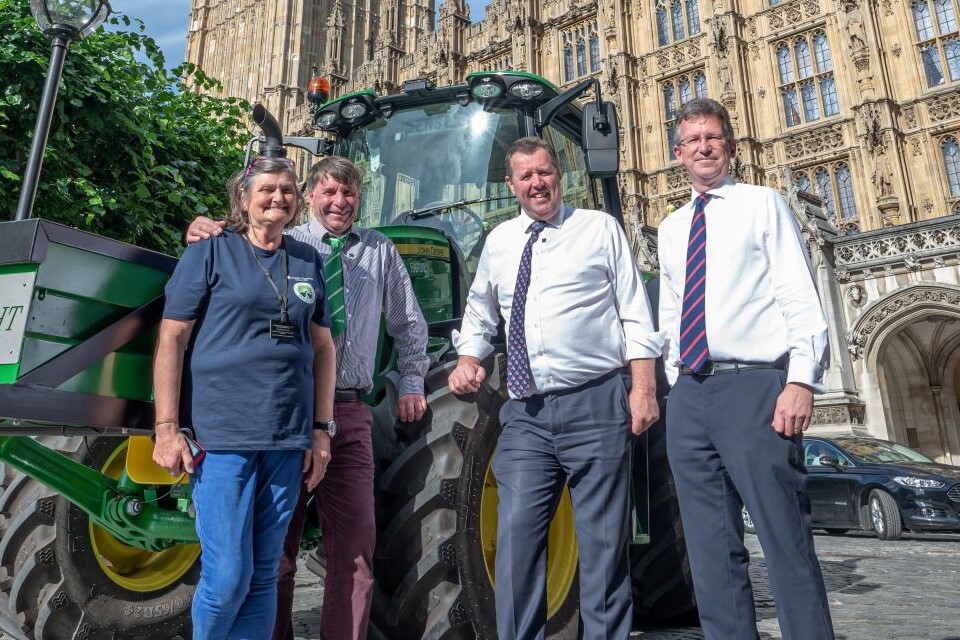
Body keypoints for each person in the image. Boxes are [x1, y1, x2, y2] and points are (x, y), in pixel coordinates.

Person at [187, 155, 429, 640]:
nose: (340, 202)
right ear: (310, 198)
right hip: (288, 413)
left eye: (350, 193)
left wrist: (411, 383)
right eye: (329, 192)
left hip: (351, 409)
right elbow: (230, 271)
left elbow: (409, 324)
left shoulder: (381, 250)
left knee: (357, 554)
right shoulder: (287, 247)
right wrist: (203, 228)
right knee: (274, 553)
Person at [448, 137, 661, 640]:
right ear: (512, 185)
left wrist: (644, 387)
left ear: (558, 174)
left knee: (604, 545)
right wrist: (467, 357)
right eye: (527, 176)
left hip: (595, 399)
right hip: (524, 411)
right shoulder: (500, 241)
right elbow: (480, 311)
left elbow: (635, 309)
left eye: (545, 172)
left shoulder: (598, 228)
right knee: (518, 537)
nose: (537, 183)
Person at [657, 98, 834, 639]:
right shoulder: (670, 226)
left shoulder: (763, 203)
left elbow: (796, 292)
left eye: (713, 138)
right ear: (678, 153)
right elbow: (669, 308)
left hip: (755, 385)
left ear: (729, 148)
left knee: (784, 538)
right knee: (710, 551)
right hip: (691, 393)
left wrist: (800, 378)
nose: (704, 147)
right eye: (693, 140)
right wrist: (672, 381)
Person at [153, 156, 336, 639]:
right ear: (243, 198)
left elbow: (323, 347)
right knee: (229, 574)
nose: (278, 197)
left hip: (287, 435)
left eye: (288, 191)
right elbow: (171, 338)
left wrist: (321, 430)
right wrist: (166, 429)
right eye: (267, 190)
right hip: (223, 433)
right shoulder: (210, 251)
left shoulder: (306, 258)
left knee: (263, 575)